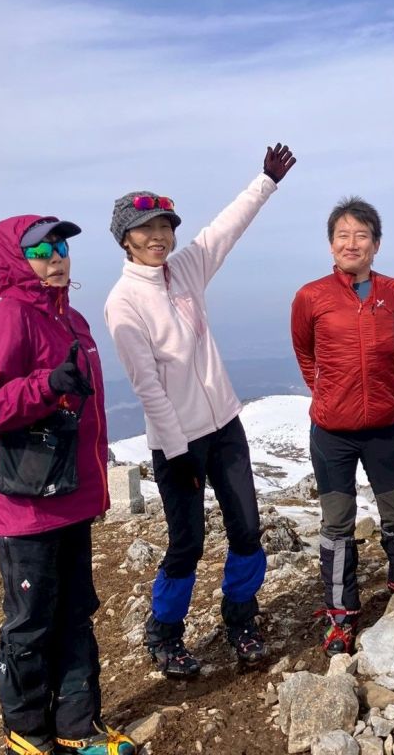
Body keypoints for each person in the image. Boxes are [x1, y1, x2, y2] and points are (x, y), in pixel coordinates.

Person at [104, 143, 296, 678]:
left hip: (225, 425)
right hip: (177, 442)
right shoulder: (122, 302)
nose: (160, 236)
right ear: (125, 239)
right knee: (186, 543)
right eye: (147, 229)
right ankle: (164, 635)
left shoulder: (185, 269)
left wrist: (265, 181)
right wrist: (177, 448)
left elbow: (223, 229)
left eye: (165, 226)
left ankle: (241, 620)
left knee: (247, 530)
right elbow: (147, 386)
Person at [0, 216, 135, 755]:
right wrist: (46, 385)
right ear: (16, 261)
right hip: (23, 506)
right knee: (32, 620)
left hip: (67, 496)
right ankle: (27, 732)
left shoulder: (74, 320)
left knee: (74, 611)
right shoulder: (9, 317)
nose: (56, 257)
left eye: (60, 246)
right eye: (40, 250)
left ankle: (77, 724)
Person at [290, 196, 394, 656]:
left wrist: (379, 392)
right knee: (338, 523)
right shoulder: (311, 296)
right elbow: (306, 353)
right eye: (342, 235)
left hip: (385, 427)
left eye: (361, 235)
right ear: (330, 245)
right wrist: (329, 391)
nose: (352, 243)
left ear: (376, 244)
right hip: (332, 432)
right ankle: (341, 614)